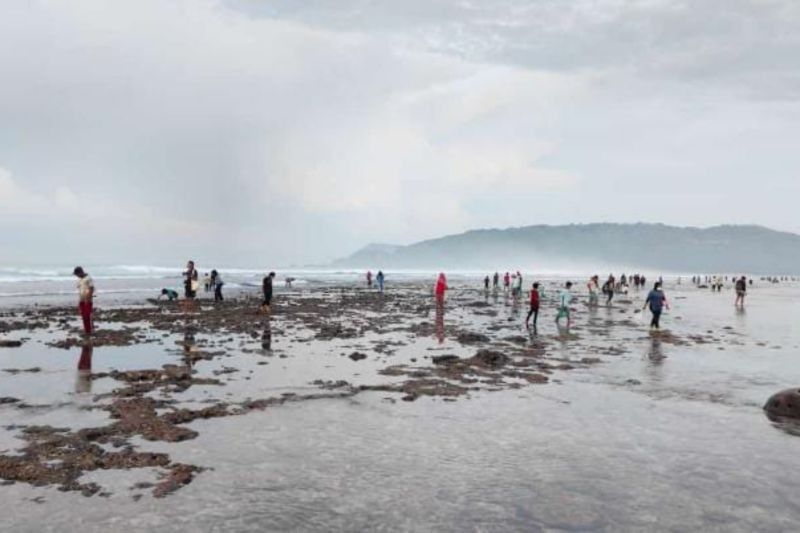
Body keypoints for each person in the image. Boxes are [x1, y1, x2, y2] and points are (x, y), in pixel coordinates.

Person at [73, 267, 94, 335]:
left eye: (77, 274)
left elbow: (91, 288)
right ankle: (86, 330)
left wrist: (88, 297)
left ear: (81, 272)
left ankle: (89, 330)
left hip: (87, 299)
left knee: (87, 315)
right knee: (83, 315)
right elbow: (80, 289)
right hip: (81, 299)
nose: (77, 276)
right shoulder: (80, 280)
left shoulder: (88, 278)